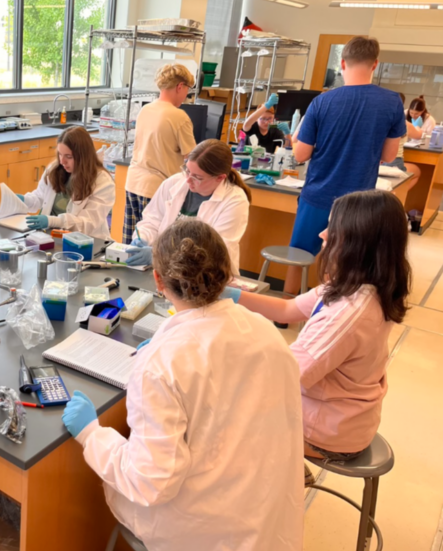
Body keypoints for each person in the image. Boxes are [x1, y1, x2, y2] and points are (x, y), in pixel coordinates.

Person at [62, 219, 304, 551]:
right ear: (227, 274)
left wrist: (92, 434)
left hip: (203, 531)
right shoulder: (265, 331)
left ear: (158, 280)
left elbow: (151, 482)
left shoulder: (162, 365)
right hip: (268, 513)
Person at [224, 190, 410, 470]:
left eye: (332, 228)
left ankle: (279, 483)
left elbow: (285, 374)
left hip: (328, 433)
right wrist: (228, 294)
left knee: (223, 414)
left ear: (358, 243)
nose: (322, 235)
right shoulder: (359, 286)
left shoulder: (348, 314)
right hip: (346, 415)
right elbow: (287, 310)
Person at [288, 36, 405, 295]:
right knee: (342, 260)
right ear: (375, 64)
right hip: (358, 202)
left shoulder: (322, 101)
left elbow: (300, 155)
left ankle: (284, 314)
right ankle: (328, 316)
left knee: (299, 254)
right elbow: (388, 155)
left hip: (318, 193)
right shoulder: (392, 101)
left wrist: (297, 139)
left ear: (342, 63)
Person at [125, 139, 251, 275]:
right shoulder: (174, 183)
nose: (188, 179)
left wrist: (159, 255)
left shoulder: (235, 200)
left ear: (220, 178)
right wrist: (142, 237)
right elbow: (152, 220)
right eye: (187, 170)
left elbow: (213, 251)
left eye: (197, 177)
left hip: (207, 276)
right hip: (166, 271)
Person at [123, 63, 197, 243]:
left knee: (132, 245)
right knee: (157, 248)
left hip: (133, 183)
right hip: (156, 189)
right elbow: (194, 158)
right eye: (188, 89)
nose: (187, 95)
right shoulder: (179, 116)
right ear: (180, 86)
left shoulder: (145, 110)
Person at [17, 126, 114, 240]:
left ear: (83, 157)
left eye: (69, 156)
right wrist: (23, 201)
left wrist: (52, 221)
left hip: (86, 241)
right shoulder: (54, 169)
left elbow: (88, 223)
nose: (62, 161)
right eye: (60, 154)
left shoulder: (102, 181)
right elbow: (40, 198)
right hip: (51, 237)